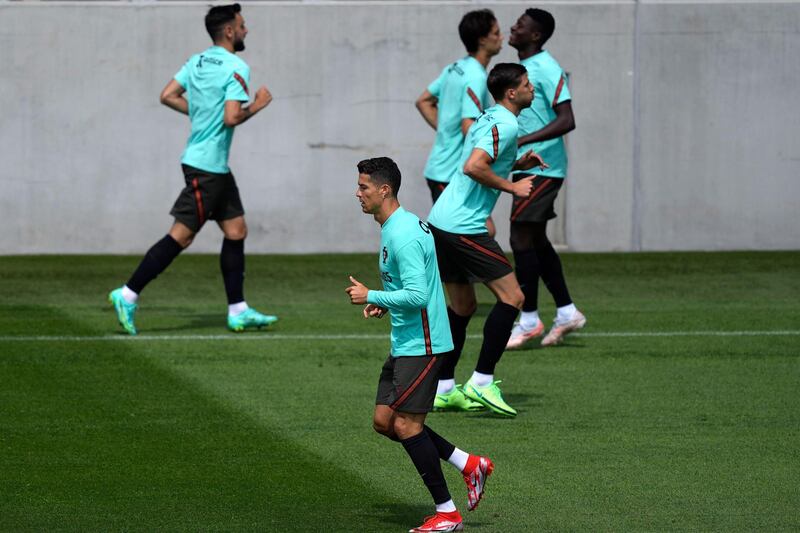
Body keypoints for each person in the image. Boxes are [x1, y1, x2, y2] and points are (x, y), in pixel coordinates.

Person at [108, 3, 277, 335]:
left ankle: (238, 309)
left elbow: (167, 95)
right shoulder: (237, 66)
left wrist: (201, 115)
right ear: (229, 31)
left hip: (210, 165)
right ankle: (127, 293)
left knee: (236, 230)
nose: (246, 30)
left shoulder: (196, 61)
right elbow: (231, 117)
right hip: (206, 168)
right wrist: (256, 105)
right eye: (242, 25)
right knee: (181, 237)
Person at [346, 157, 494, 532]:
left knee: (408, 426)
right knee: (385, 422)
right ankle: (468, 463)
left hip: (423, 345)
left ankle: (447, 513)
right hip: (407, 340)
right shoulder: (395, 226)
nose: (357, 193)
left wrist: (371, 294)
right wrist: (384, 301)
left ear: (384, 190)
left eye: (363, 187)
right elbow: (414, 287)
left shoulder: (404, 234)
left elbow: (416, 294)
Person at [427, 64, 546, 417]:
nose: (531, 89)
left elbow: (480, 157)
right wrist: (512, 186)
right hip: (463, 226)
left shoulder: (489, 116)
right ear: (512, 93)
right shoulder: (507, 123)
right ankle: (481, 382)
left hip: (441, 220)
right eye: (526, 85)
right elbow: (473, 166)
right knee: (514, 297)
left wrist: (516, 161)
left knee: (463, 307)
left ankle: (443, 388)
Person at [506, 8, 585, 349]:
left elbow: (567, 119)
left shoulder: (548, 69)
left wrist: (526, 139)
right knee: (535, 240)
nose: (513, 27)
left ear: (535, 35)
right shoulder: (524, 70)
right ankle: (567, 312)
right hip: (528, 166)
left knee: (520, 237)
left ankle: (528, 319)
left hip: (544, 168)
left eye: (520, 25)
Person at [416, 9, 502, 239]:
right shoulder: (476, 76)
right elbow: (468, 126)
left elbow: (423, 101)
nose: (501, 37)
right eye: (496, 32)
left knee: (469, 236)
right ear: (483, 39)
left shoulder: (455, 67)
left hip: (441, 168)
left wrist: (446, 131)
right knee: (476, 234)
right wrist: (496, 154)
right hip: (449, 172)